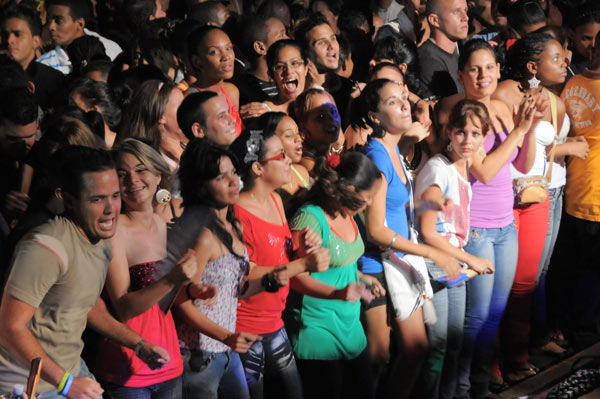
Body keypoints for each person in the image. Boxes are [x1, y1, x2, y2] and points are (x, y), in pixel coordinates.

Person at [0, 145, 169, 398]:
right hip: (29, 386)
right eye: (97, 199)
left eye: (114, 195)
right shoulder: (46, 247)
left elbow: (87, 304)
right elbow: (9, 326)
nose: (111, 208)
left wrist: (138, 344)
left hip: (68, 373)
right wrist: (66, 384)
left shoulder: (99, 242)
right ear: (68, 200)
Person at [435, 38, 537, 398]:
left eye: (490, 67)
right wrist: (521, 132)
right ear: (461, 74)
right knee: (475, 321)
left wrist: (531, 126)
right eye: (475, 69)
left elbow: (522, 164)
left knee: (494, 316)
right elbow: (487, 171)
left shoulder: (503, 108)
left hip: (505, 226)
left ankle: (479, 389)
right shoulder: (462, 116)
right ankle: (462, 391)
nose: (484, 75)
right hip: (476, 229)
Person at [353, 79, 459, 399]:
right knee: (379, 357)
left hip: (395, 261)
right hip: (375, 265)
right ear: (373, 116)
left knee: (410, 350)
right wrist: (430, 252)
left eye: (404, 99)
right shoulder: (376, 157)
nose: (404, 106)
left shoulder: (394, 151)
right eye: (393, 102)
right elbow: (376, 230)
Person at [173, 139, 288, 399]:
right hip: (199, 356)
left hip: (225, 351)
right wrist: (226, 336)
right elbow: (180, 301)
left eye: (234, 173)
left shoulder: (232, 226)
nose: (233, 180)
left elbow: (236, 291)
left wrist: (269, 280)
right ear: (201, 186)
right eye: (221, 177)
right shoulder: (202, 234)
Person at [93, 139, 205, 398]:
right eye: (122, 174)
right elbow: (123, 307)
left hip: (169, 362)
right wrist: (172, 279)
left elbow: (163, 302)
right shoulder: (113, 231)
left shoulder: (162, 223)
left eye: (140, 170)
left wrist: (193, 292)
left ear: (157, 175)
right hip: (127, 368)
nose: (132, 179)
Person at [229, 127, 330, 399]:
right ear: (259, 169)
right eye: (280, 155)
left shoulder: (274, 199)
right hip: (246, 327)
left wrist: (301, 249)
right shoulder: (238, 212)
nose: (289, 161)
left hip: (274, 320)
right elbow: (244, 275)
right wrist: (304, 264)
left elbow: (278, 255)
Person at [493, 31, 569, 384]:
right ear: (531, 65)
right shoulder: (505, 93)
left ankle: (518, 357)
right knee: (501, 287)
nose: (564, 62)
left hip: (536, 198)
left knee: (525, 285)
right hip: (507, 200)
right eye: (555, 57)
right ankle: (491, 363)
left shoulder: (545, 97)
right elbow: (509, 151)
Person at [287, 152, 385, 399]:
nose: (371, 203)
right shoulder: (310, 218)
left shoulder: (346, 213)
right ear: (349, 190)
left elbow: (341, 262)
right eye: (367, 197)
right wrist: (338, 293)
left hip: (350, 327)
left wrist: (362, 277)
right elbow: (294, 277)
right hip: (318, 330)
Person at [414, 99, 494, 399]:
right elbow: (427, 231)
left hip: (453, 265)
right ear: (448, 132)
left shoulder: (462, 167)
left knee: (454, 344)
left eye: (475, 133)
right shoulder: (439, 168)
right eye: (461, 132)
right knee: (437, 347)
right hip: (437, 267)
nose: (468, 140)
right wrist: (471, 259)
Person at [549, 30, 600, 349]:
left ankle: (573, 328)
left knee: (577, 268)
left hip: (575, 189)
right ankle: (583, 333)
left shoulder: (573, 83)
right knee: (591, 272)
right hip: (594, 194)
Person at [0, 4, 66, 111]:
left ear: (35, 41)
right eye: (5, 35)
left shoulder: (54, 82)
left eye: (17, 34)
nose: (9, 40)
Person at [294, 13, 355, 129]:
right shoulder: (298, 95)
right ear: (305, 52)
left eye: (333, 38)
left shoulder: (350, 89)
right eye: (321, 42)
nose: (331, 45)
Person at [185, 25, 242, 135]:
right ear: (197, 61)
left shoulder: (232, 91)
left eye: (228, 48)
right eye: (214, 52)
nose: (226, 56)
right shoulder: (188, 101)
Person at [38, 0, 122, 74]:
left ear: (80, 23)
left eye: (59, 20)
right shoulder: (44, 64)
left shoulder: (111, 50)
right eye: (49, 20)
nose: (51, 27)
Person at [119, 80, 187, 170]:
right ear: (160, 116)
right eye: (181, 106)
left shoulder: (191, 144)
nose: (188, 109)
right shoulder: (152, 165)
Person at [418, 0, 469, 99]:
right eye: (456, 11)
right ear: (434, 20)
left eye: (465, 11)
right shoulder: (429, 60)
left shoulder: (460, 52)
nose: (465, 17)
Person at [234, 15, 287, 107]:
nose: (288, 39)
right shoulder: (243, 89)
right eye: (281, 35)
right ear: (260, 47)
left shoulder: (289, 77)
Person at [293, 88, 342, 176]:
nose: (331, 119)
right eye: (321, 116)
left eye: (333, 111)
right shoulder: (309, 164)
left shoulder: (332, 146)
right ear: (303, 127)